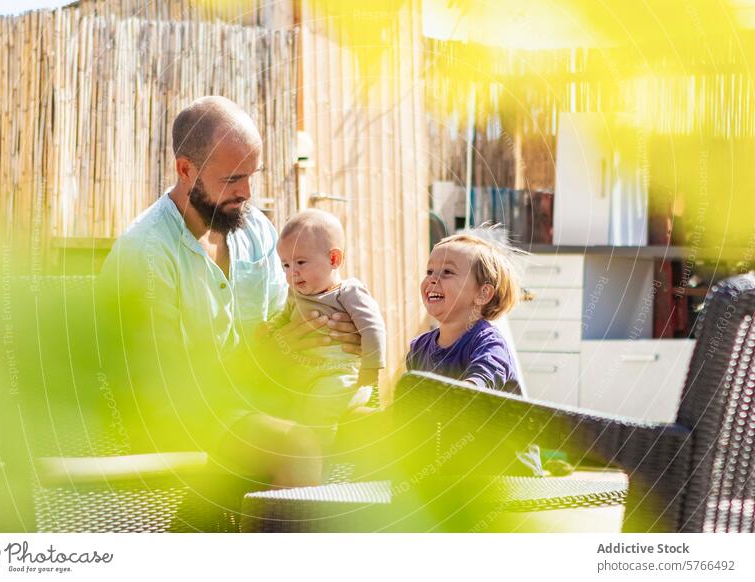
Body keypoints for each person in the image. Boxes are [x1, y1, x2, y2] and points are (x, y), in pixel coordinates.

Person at [98, 96, 361, 488]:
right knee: (297, 448)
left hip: (259, 399)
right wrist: (265, 357)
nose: (248, 191)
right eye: (232, 179)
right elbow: (161, 390)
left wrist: (330, 329)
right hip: (184, 418)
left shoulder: (255, 230)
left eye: (253, 174)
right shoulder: (146, 254)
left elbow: (282, 322)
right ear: (185, 169)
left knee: (371, 423)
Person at [267, 209, 386, 449]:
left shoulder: (348, 293)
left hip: (339, 377)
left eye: (300, 262)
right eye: (286, 265)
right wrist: (271, 329)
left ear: (333, 259)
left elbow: (373, 328)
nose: (292, 273)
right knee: (291, 413)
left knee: (319, 413)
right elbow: (284, 317)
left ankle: (319, 458)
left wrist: (371, 366)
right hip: (305, 376)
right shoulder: (295, 293)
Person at [406, 233, 522, 394]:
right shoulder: (419, 348)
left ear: (483, 294)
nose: (432, 279)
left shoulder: (489, 344)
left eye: (447, 271)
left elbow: (478, 386)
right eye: (430, 271)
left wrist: (467, 388)